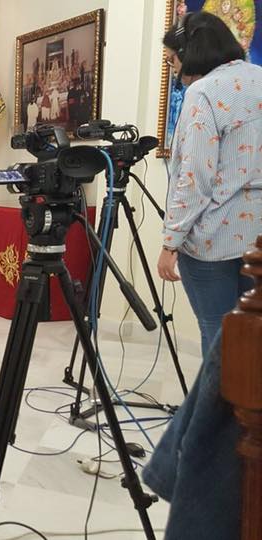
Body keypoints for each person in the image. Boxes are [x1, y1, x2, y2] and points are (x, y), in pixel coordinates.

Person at [157, 11, 261, 360]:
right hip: (258, 239)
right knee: (253, 340)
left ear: (190, 51)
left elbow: (194, 177)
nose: (174, 69)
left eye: (172, 60)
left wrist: (171, 242)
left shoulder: (203, 92)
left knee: (219, 342)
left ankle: (215, 401)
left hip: (213, 238)